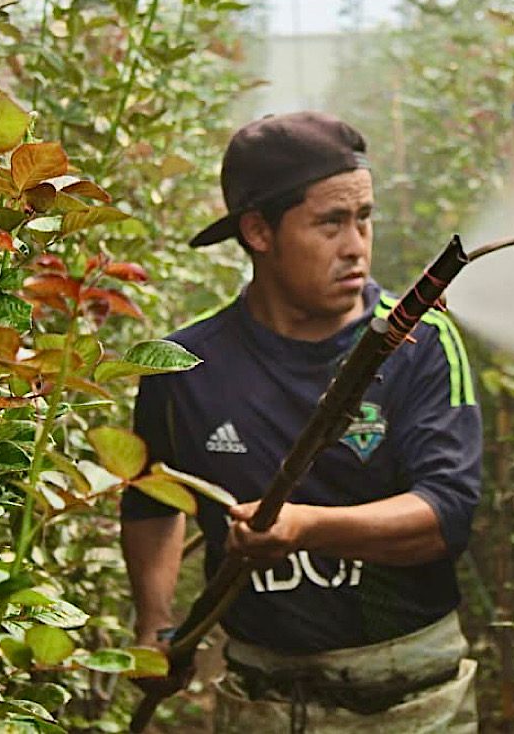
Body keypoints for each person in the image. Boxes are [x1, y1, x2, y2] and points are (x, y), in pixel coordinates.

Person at [120, 110, 482, 732]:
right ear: (259, 231)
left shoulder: (419, 342)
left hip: (413, 701)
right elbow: (152, 498)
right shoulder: (184, 369)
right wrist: (155, 623)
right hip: (260, 700)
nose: (357, 246)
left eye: (364, 218)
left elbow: (445, 515)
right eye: (331, 223)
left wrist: (305, 527)